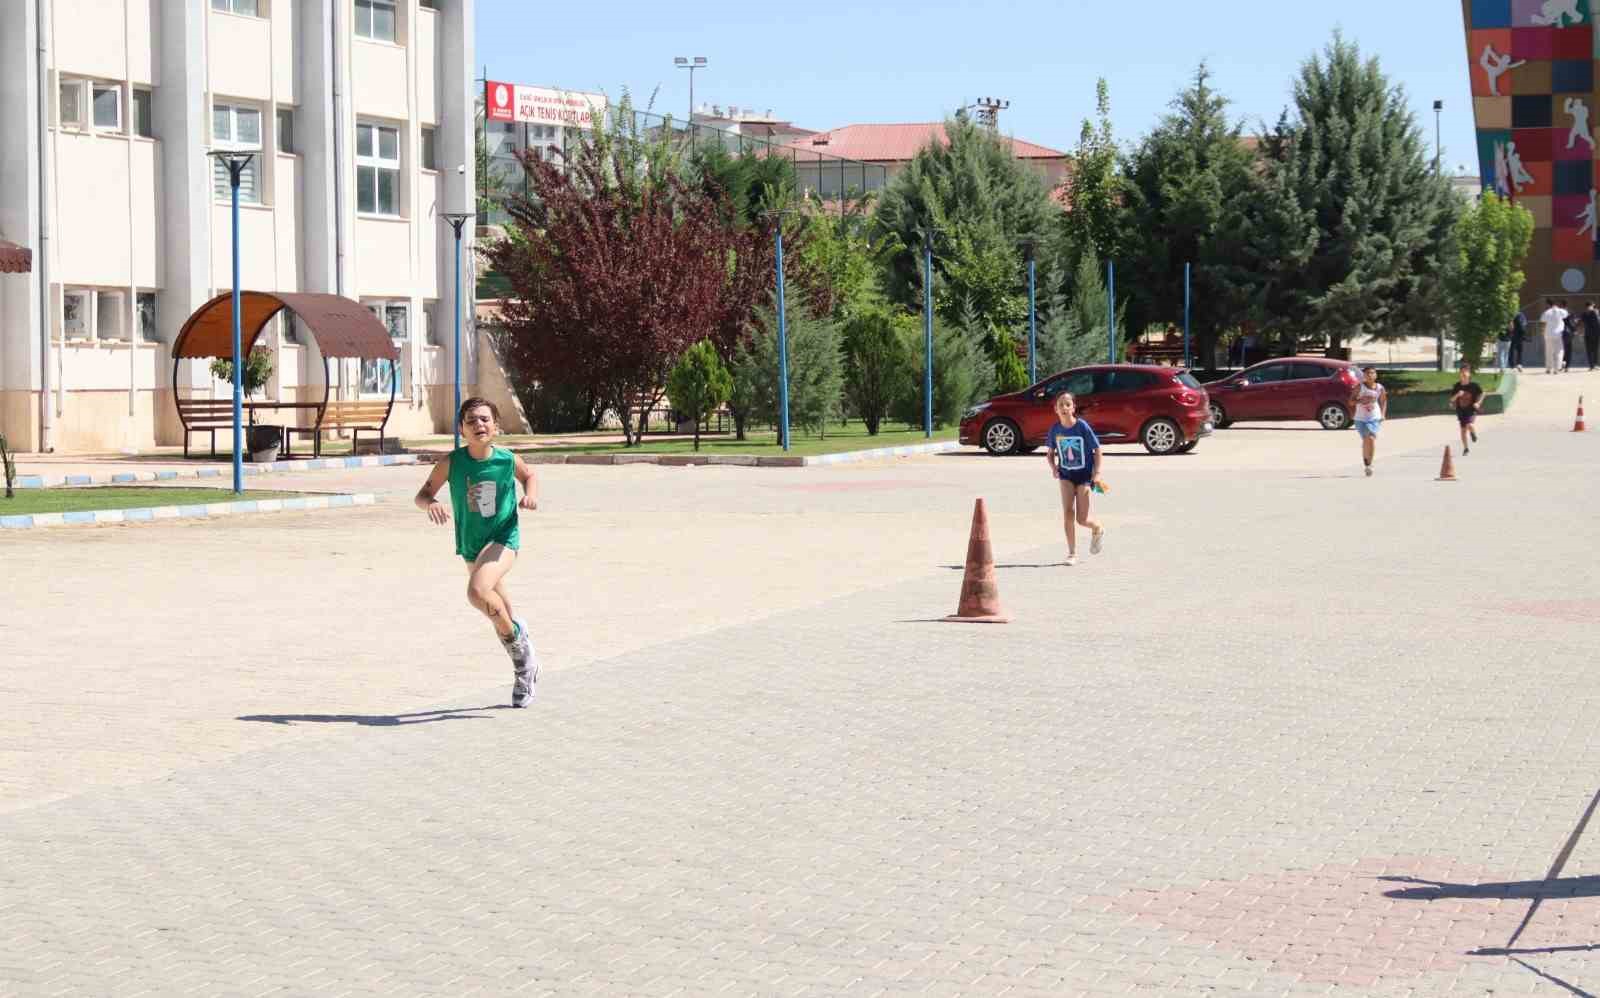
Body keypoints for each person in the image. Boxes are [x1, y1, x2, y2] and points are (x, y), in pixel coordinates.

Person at [415, 398, 541, 707]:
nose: (478, 425)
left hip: (503, 538)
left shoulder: (507, 459)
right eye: (471, 421)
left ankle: (523, 661)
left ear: (496, 426)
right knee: (502, 614)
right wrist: (431, 505)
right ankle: (524, 656)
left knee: (477, 591)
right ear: (461, 429)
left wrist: (531, 497)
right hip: (471, 545)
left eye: (485, 419)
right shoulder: (452, 462)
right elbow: (422, 495)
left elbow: (529, 476)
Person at [1045, 392, 1105, 567]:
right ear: (1055, 409)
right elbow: (1050, 454)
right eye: (1060, 405)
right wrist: (1054, 467)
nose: (1064, 408)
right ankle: (1072, 553)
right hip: (1066, 475)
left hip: (1085, 476)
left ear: (1073, 408)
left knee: (1082, 519)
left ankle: (1097, 528)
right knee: (1068, 513)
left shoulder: (1082, 427)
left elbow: (1097, 450)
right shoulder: (1055, 429)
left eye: (1067, 404)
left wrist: (1097, 473)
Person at [1351, 366, 1387, 477]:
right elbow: (1350, 402)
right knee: (1366, 440)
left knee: (1371, 438)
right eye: (1367, 373)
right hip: (1360, 418)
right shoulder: (1359, 387)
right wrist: (1360, 400)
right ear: (1364, 376)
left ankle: (1370, 465)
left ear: (1376, 375)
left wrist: (1383, 414)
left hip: (1374, 417)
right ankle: (1366, 463)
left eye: (1372, 373)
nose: (1370, 375)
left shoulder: (1380, 388)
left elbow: (1383, 401)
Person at [1449, 362, 1484, 456]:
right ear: (1459, 374)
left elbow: (1482, 394)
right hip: (1460, 411)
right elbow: (1451, 399)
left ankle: (1473, 433)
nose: (1464, 374)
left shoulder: (1474, 386)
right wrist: (1457, 395)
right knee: (1463, 430)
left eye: (1466, 371)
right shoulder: (1457, 386)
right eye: (1462, 372)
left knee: (1469, 425)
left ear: (1469, 374)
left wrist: (1478, 403)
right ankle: (1465, 449)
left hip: (1471, 409)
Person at [1541, 298, 1569, 374]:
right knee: (1559, 351)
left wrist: (1542, 332)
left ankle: (1548, 368)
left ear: (1548, 304)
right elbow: (1566, 315)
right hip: (1558, 334)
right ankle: (1557, 369)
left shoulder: (1546, 312)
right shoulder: (1561, 311)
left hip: (1548, 334)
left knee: (1549, 351)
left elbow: (1543, 322)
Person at [1509, 307, 1528, 371]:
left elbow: (1511, 327)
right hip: (1521, 335)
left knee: (1512, 351)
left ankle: (1512, 365)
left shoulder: (1512, 316)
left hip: (1514, 335)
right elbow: (1525, 324)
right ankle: (1519, 364)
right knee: (1520, 351)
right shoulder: (1522, 315)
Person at [1583, 302, 1600, 371]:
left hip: (1587, 334)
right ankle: (1595, 364)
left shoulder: (1584, 313)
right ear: (1591, 305)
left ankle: (1591, 366)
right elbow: (1597, 323)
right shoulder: (1595, 312)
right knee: (1595, 349)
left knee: (1589, 350)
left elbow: (1581, 322)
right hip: (1595, 334)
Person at [1564, 304, 1579, 373]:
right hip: (1568, 335)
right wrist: (1575, 330)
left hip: (1560, 334)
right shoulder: (1570, 315)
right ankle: (1567, 366)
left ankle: (1562, 364)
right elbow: (1572, 324)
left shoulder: (1561, 315)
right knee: (1568, 351)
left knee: (1562, 350)